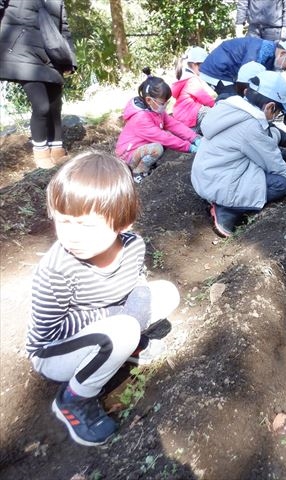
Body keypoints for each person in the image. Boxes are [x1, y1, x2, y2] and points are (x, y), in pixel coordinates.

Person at [27, 151, 181, 446]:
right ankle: (73, 399)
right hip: (55, 351)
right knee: (122, 329)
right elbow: (48, 333)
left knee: (166, 293)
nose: (71, 235)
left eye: (85, 224)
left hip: (110, 323)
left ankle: (126, 344)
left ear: (122, 224)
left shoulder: (133, 246)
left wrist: (136, 301)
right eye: (63, 221)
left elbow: (136, 279)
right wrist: (114, 316)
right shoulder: (57, 270)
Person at [191, 70, 286, 238]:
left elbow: (267, 139)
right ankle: (227, 211)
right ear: (270, 107)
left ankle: (221, 200)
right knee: (279, 184)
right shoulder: (251, 126)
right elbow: (273, 161)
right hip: (219, 185)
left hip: (204, 176)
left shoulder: (230, 109)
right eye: (277, 112)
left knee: (267, 161)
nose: (276, 116)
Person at [0, 0, 76, 168]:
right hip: (22, 52)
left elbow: (64, 30)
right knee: (42, 106)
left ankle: (57, 148)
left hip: (52, 55)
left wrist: (71, 60)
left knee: (55, 107)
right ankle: (41, 151)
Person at [115, 68, 201, 183]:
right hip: (127, 156)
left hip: (140, 148)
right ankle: (138, 172)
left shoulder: (155, 111)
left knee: (167, 137)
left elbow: (174, 124)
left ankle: (146, 165)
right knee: (158, 148)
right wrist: (189, 147)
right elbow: (164, 138)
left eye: (167, 102)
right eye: (162, 103)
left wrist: (194, 138)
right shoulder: (141, 118)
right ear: (149, 100)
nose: (165, 106)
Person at [199, 37, 286, 101]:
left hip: (230, 72)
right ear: (283, 54)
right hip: (218, 71)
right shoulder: (261, 53)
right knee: (234, 101)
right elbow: (245, 80)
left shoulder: (271, 57)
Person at [171, 46, 216, 134]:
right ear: (195, 65)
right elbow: (205, 98)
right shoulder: (191, 80)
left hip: (183, 117)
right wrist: (217, 105)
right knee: (210, 112)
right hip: (189, 116)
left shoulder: (185, 77)